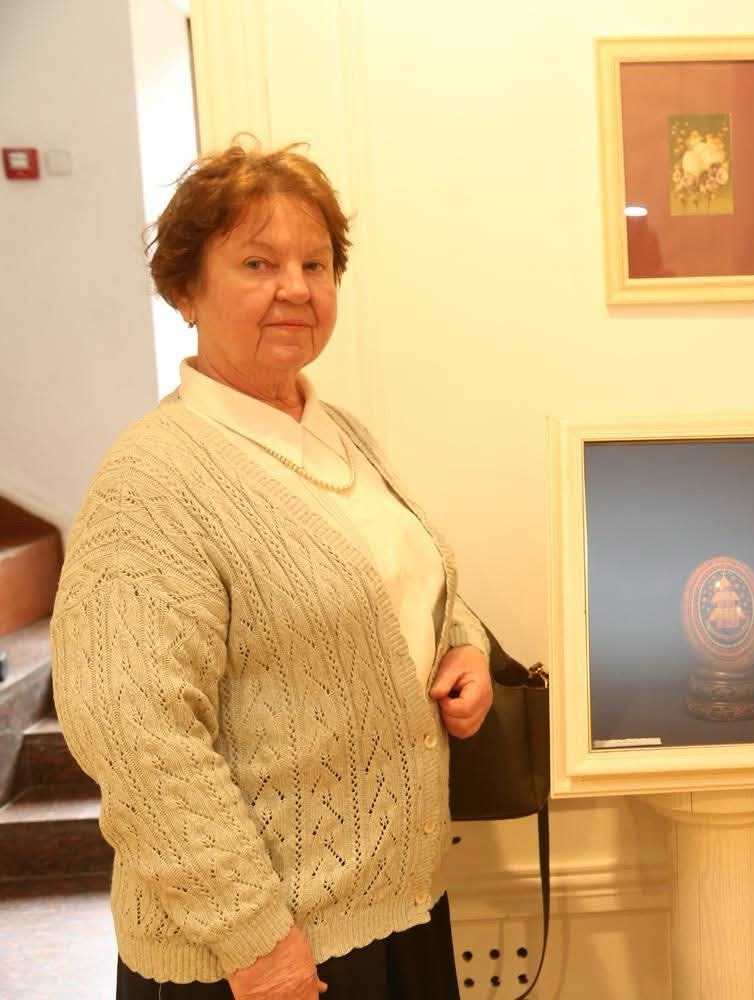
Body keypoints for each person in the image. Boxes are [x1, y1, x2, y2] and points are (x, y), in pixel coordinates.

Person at [52, 143, 494, 999]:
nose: (296, 287)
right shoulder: (152, 481)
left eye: (314, 264)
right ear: (187, 289)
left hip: (395, 908)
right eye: (258, 264)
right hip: (261, 954)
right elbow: (136, 737)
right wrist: (256, 942)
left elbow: (405, 585)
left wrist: (464, 649)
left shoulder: (342, 434)